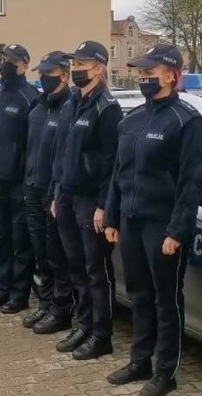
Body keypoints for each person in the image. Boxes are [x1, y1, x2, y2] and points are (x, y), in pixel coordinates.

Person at [103, 45, 202, 395]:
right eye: (141, 71)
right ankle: (140, 361)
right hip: (132, 222)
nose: (143, 77)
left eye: (150, 71)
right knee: (138, 294)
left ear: (172, 75)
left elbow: (191, 182)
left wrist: (177, 229)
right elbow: (119, 173)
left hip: (162, 226)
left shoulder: (186, 120)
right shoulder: (132, 119)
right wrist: (113, 216)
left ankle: (167, 372)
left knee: (167, 300)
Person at [51, 40, 124, 360]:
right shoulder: (73, 103)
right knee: (76, 266)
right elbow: (63, 154)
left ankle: (101, 334)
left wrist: (103, 204)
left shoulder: (108, 108)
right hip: (67, 195)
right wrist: (57, 194)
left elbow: (112, 163)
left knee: (97, 270)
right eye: (74, 65)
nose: (75, 70)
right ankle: (84, 325)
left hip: (91, 200)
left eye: (81, 65)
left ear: (98, 68)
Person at [0, 44, 41, 314]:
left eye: (11, 60)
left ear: (24, 66)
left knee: (19, 241)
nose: (5, 64)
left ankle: (19, 294)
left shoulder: (31, 98)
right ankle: (0, 290)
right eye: (4, 59)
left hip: (17, 183)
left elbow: (34, 144)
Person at [21, 51, 75, 334]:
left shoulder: (70, 107)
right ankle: (45, 304)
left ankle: (61, 310)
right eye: (41, 73)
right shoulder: (39, 105)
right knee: (40, 253)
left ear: (63, 75)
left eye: (49, 73)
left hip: (53, 194)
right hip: (32, 188)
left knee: (57, 257)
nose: (43, 78)